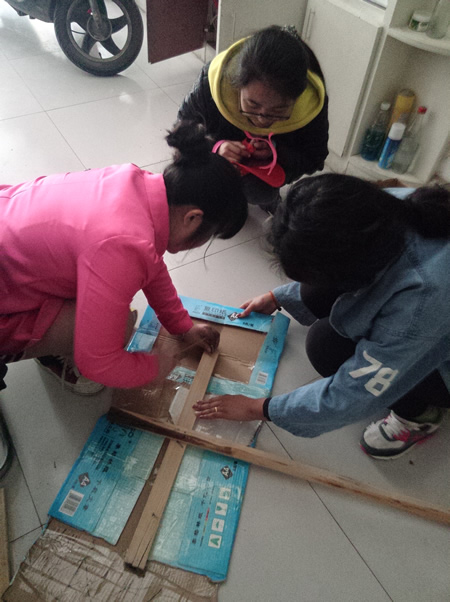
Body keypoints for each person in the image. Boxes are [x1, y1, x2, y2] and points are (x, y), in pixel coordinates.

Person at [0, 121, 248, 477]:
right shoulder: (122, 243)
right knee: (118, 329)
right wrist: (155, 368)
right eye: (207, 236)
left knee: (108, 301)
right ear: (194, 218)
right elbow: (98, 362)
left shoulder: (133, 183)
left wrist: (182, 326)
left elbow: (149, 263)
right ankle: (48, 352)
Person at [193, 174, 450, 460]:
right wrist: (278, 297)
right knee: (315, 297)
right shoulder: (378, 207)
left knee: (325, 347)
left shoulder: (423, 299)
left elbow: (356, 392)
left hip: (440, 355)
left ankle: (418, 416)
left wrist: (259, 408)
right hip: (426, 312)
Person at [177, 25, 329, 212]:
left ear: (297, 99)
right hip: (216, 154)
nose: (262, 120)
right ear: (237, 86)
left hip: (264, 173)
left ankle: (265, 198)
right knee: (201, 184)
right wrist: (215, 148)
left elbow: (315, 157)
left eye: (279, 110)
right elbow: (182, 131)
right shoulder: (216, 81)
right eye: (252, 105)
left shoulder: (310, 103)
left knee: (260, 192)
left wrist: (276, 153)